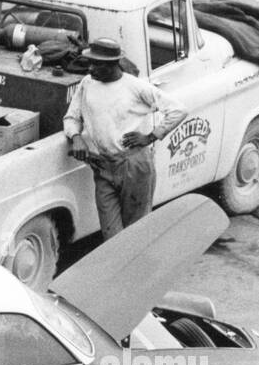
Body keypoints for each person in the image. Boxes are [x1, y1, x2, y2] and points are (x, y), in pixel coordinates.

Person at [63, 38, 187, 239]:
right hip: (102, 166)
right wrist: (76, 136)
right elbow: (72, 116)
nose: (91, 68)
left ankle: (139, 270)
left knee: (136, 233)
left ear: (113, 64)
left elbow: (178, 110)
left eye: (98, 64)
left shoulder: (136, 87)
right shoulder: (87, 83)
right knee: (111, 235)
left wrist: (150, 136)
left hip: (134, 165)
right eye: (90, 63)